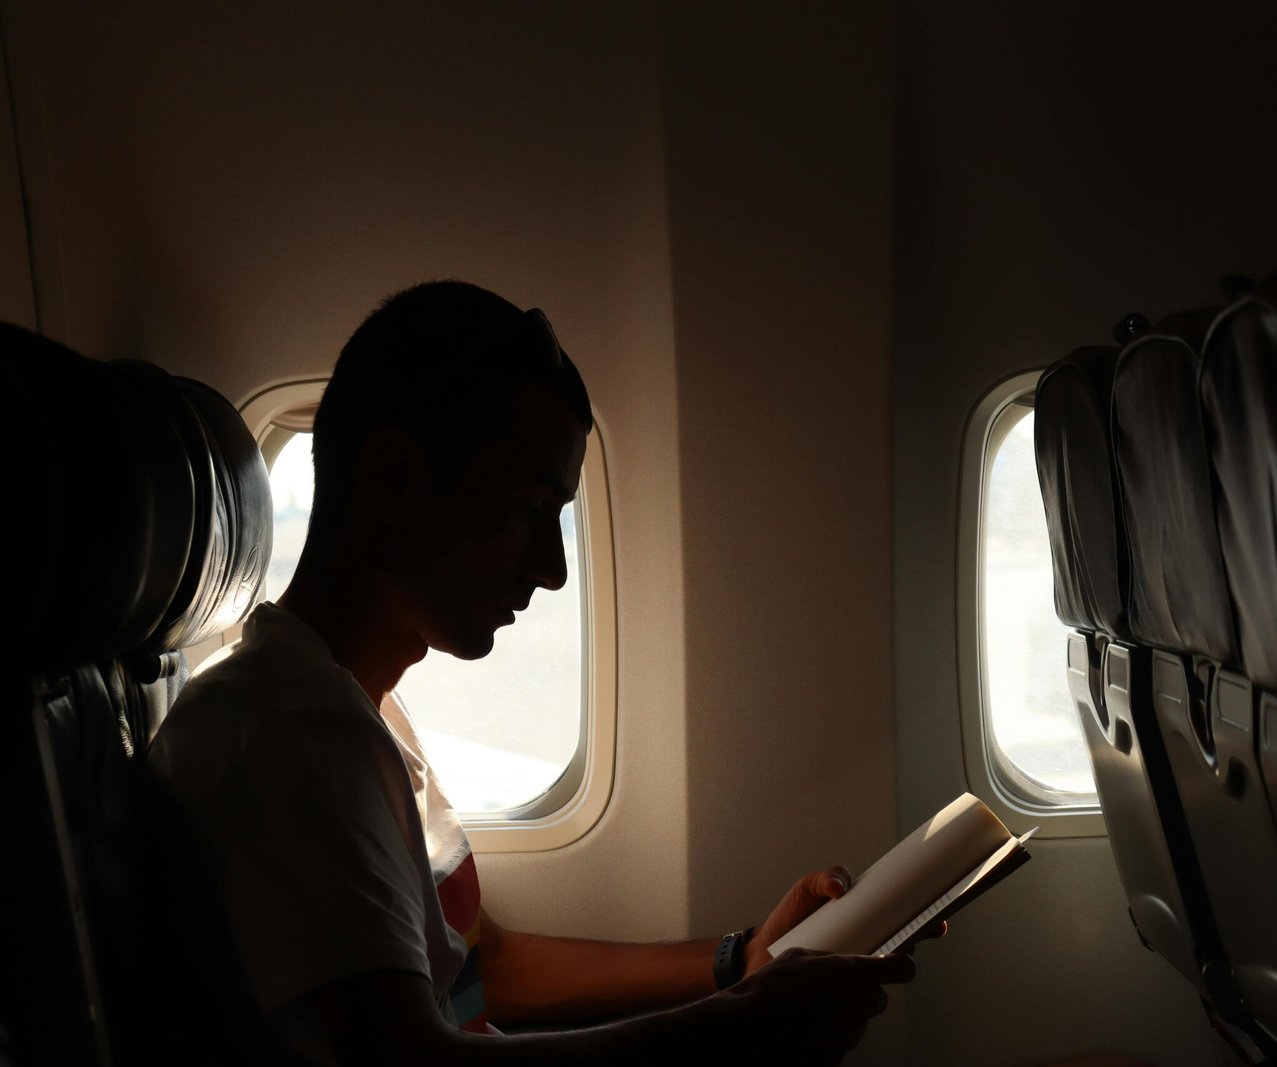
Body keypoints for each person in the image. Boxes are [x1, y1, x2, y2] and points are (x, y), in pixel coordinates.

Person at [146, 280, 920, 1066]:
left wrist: (741, 958)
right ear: (395, 481)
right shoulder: (290, 734)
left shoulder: (353, 708)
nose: (553, 568)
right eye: (526, 508)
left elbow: (483, 971)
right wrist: (745, 1028)